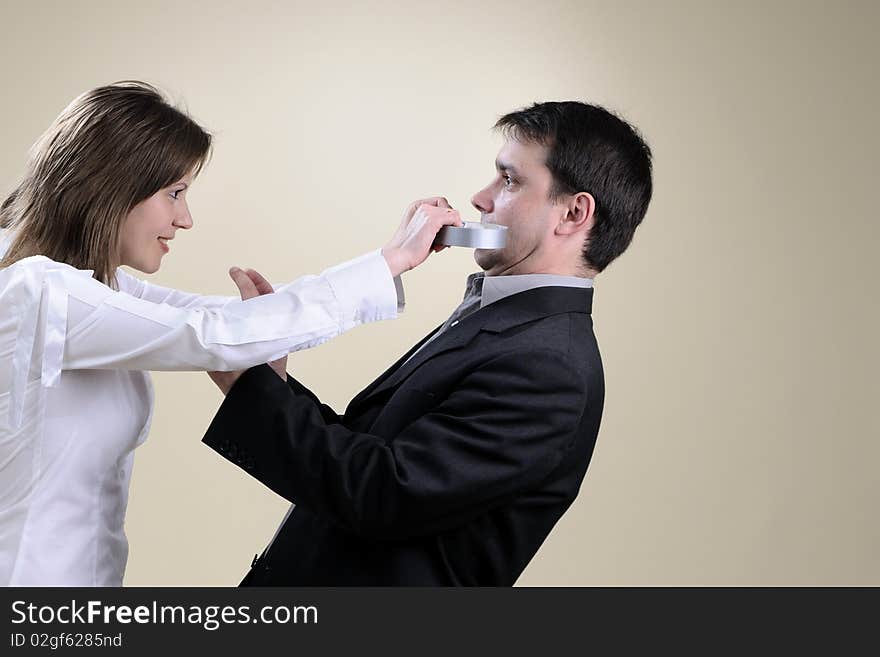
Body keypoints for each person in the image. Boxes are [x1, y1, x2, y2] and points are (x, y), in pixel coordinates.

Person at [0, 81, 461, 586]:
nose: (185, 218)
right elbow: (214, 334)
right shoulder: (43, 294)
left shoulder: (97, 287)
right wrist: (390, 259)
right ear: (110, 186)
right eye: (173, 193)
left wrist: (372, 275)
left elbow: (223, 318)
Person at [201, 100, 653, 585]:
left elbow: (383, 494)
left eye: (509, 180)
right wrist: (273, 382)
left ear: (572, 214)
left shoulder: (548, 366)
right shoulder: (503, 324)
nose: (480, 198)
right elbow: (369, 448)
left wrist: (250, 387)